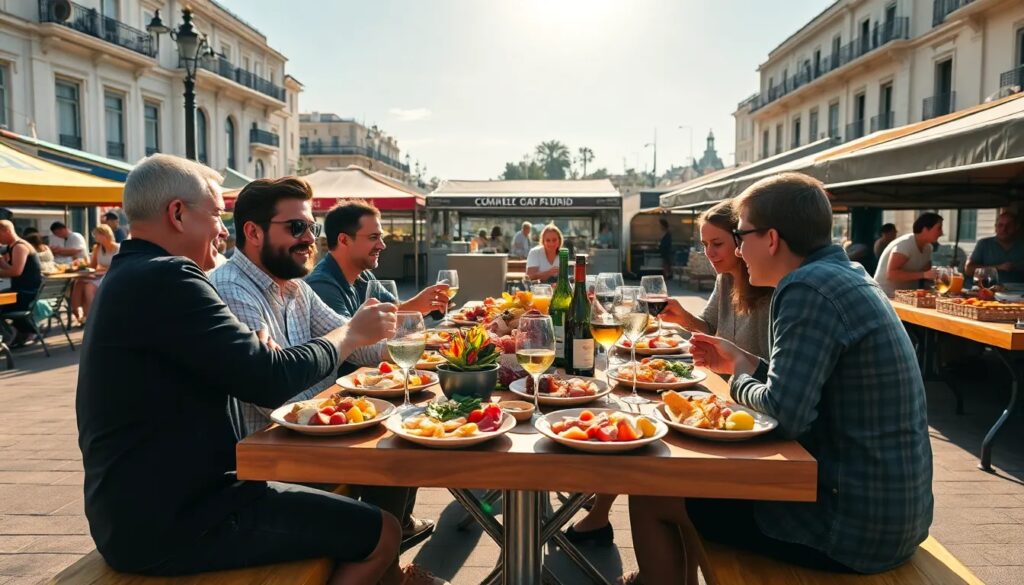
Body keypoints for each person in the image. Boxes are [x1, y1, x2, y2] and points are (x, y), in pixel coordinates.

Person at [76, 154, 416, 584]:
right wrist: (345, 337)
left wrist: (267, 361)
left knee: (379, 494)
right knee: (383, 531)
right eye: (216, 215)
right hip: (179, 520)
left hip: (150, 509)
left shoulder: (133, 275)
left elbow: (255, 371)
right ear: (177, 214)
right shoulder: (169, 277)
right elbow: (268, 379)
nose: (223, 230)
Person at [624, 173, 933, 585]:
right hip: (893, 514)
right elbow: (807, 386)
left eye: (741, 235)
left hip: (850, 527)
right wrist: (746, 361)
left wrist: (736, 376)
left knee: (651, 490)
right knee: (685, 486)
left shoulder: (806, 288)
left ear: (771, 239)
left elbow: (786, 415)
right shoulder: (844, 273)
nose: (737, 248)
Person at [213, 182, 443, 564]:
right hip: (275, 458)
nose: (308, 240)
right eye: (296, 228)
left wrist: (415, 334)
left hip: (317, 438)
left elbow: (364, 346)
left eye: (311, 228)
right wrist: (349, 343)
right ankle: (388, 566)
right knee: (395, 452)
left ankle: (389, 569)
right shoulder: (233, 290)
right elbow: (277, 395)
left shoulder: (295, 289)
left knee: (402, 436)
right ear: (253, 232)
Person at [568, 200, 774, 546]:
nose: (709, 253)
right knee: (631, 416)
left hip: (737, 402)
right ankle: (601, 507)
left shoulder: (770, 290)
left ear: (741, 241)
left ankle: (602, 508)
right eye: (704, 244)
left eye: (718, 244)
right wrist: (684, 319)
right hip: (720, 387)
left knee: (642, 430)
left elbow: (758, 362)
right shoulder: (725, 281)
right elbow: (709, 328)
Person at [873, 212, 943, 297]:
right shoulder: (905, 244)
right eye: (939, 228)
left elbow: (926, 274)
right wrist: (924, 274)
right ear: (925, 229)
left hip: (907, 297)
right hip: (886, 296)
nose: (941, 233)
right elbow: (891, 275)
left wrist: (941, 279)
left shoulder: (928, 248)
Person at [0, 220, 43, 348]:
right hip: (22, 291)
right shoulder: (12, 246)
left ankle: (9, 334)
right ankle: (19, 331)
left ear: (6, 231)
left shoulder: (19, 246)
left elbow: (16, 271)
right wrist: (2, 262)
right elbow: (11, 268)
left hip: (26, 293)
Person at [70, 225, 120, 326]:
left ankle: (93, 318)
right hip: (100, 275)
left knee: (88, 286)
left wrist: (102, 271)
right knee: (79, 282)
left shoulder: (118, 248)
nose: (95, 237)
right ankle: (80, 314)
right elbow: (92, 266)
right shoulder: (97, 248)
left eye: (97, 235)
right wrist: (80, 263)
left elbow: (120, 266)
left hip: (114, 276)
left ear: (105, 235)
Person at [965, 211, 1024, 284]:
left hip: (1019, 292)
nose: (1003, 229)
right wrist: (997, 267)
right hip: (988, 290)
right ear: (995, 227)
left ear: (1016, 227)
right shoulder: (984, 244)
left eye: (1009, 226)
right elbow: (969, 270)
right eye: (1000, 225)